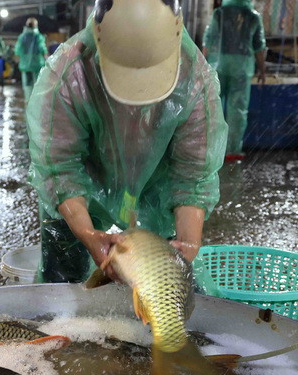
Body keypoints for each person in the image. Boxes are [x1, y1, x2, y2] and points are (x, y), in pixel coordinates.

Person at [26, 0, 226, 284]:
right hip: (81, 199)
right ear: (97, 32)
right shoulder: (69, 74)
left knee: (170, 293)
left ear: (178, 30)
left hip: (160, 198)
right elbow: (60, 168)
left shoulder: (196, 80)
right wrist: (87, 233)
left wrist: (187, 245)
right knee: (62, 284)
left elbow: (193, 175)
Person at [202, 0, 266, 159]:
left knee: (213, 107)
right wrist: (262, 70)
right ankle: (232, 151)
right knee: (237, 109)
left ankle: (209, 150)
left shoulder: (219, 14)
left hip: (218, 64)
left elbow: (208, 41)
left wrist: (201, 67)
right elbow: (259, 46)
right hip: (242, 67)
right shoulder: (253, 17)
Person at [15, 18, 48, 100]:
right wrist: (46, 56)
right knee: (37, 83)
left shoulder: (22, 37)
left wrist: (19, 58)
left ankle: (28, 100)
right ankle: (36, 101)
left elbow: (18, 50)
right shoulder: (38, 36)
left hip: (25, 64)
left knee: (27, 84)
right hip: (37, 63)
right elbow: (42, 48)